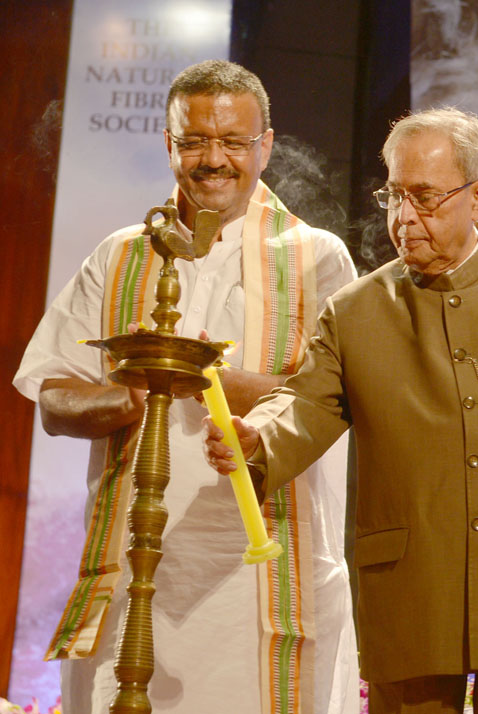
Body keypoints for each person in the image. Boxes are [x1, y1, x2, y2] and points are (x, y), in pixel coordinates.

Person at [203, 107, 478, 714]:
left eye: (425, 198)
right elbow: (301, 402)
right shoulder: (355, 313)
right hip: (409, 591)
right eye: (394, 197)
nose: (404, 219)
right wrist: (257, 442)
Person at [14, 60, 359, 714]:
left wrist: (207, 380)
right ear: (169, 144)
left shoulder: (318, 256)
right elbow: (52, 395)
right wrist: (130, 398)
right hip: (134, 568)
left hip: (265, 574)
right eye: (194, 140)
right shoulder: (120, 255)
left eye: (233, 142)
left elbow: (342, 396)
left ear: (267, 145)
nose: (213, 159)